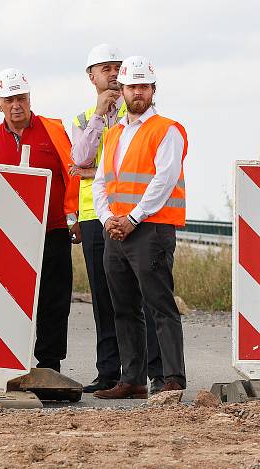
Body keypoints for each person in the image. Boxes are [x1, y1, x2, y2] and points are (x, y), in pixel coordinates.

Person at [92, 56, 188, 399]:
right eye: (132, 87)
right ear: (123, 90)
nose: (137, 93)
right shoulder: (114, 133)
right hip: (117, 232)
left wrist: (133, 218)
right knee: (124, 307)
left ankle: (170, 378)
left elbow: (163, 181)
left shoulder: (167, 130)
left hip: (151, 229)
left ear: (153, 90)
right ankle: (132, 379)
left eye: (144, 87)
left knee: (159, 305)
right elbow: (100, 182)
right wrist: (107, 220)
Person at [71, 44, 166, 394]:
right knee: (104, 297)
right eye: (104, 68)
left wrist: (91, 170)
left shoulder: (141, 113)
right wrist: (99, 114)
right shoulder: (84, 119)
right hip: (96, 215)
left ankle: (153, 373)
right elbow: (77, 157)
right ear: (91, 76)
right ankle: (110, 371)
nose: (112, 73)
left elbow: (144, 167)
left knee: (143, 296)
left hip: (137, 216)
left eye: (117, 67)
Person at [0, 68, 80, 372]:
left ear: (30, 98)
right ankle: (7, 363)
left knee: (54, 300)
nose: (16, 104)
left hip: (53, 230)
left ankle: (49, 364)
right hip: (8, 235)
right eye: (9, 99)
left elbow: (71, 176)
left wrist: (76, 218)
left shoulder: (53, 130)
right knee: (7, 302)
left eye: (21, 97)